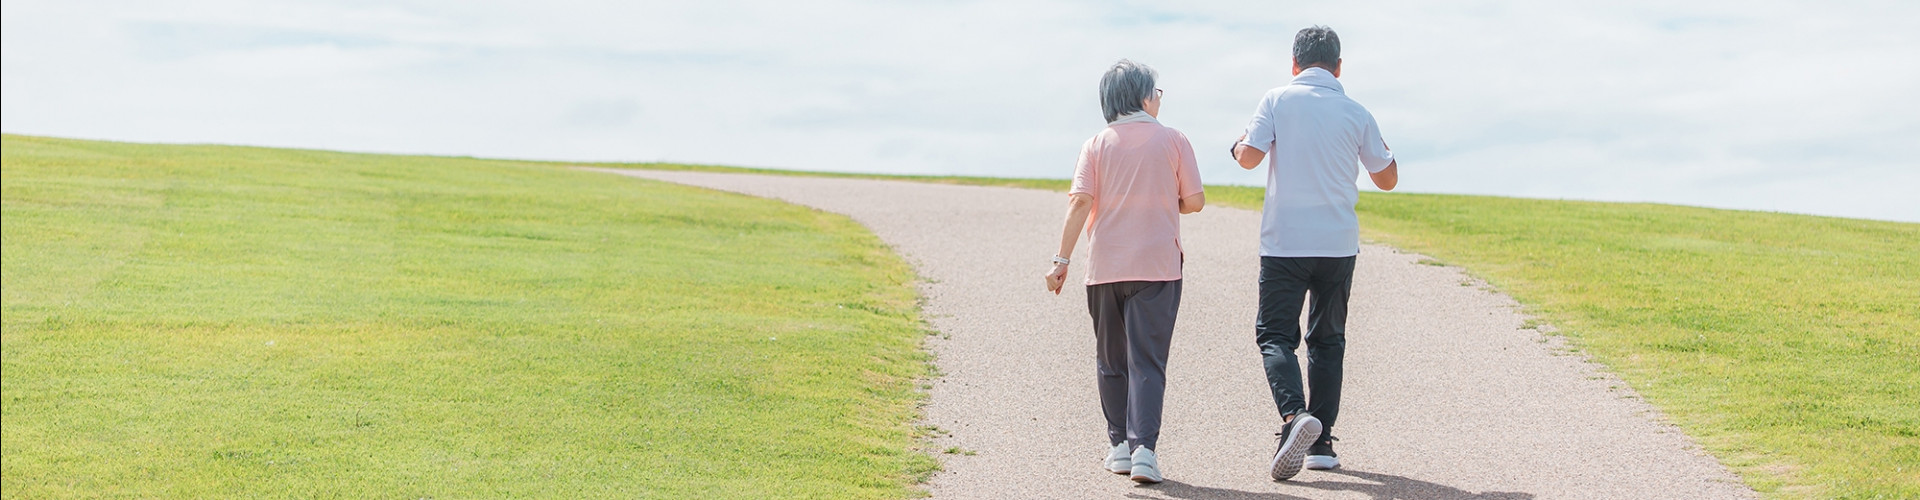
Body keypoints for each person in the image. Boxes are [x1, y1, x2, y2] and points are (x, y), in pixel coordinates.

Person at [1230, 25, 1399, 481]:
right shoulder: (1356, 111)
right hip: (1338, 243)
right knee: (1328, 340)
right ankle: (1321, 443)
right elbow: (1387, 179)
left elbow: (1248, 158)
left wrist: (1237, 143)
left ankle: (1293, 418)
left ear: (1294, 64)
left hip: (1285, 242)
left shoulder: (1277, 99)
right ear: (1339, 66)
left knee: (1275, 336)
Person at [1045, 59, 1205, 484]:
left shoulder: (1095, 145)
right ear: (1142, 96)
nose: (1159, 98)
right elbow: (1195, 201)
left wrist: (1060, 262)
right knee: (1148, 361)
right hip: (1158, 268)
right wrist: (1160, 197)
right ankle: (1144, 452)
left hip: (1105, 268)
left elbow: (1080, 202)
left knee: (1111, 359)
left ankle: (1118, 446)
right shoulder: (1174, 140)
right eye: (1157, 91)